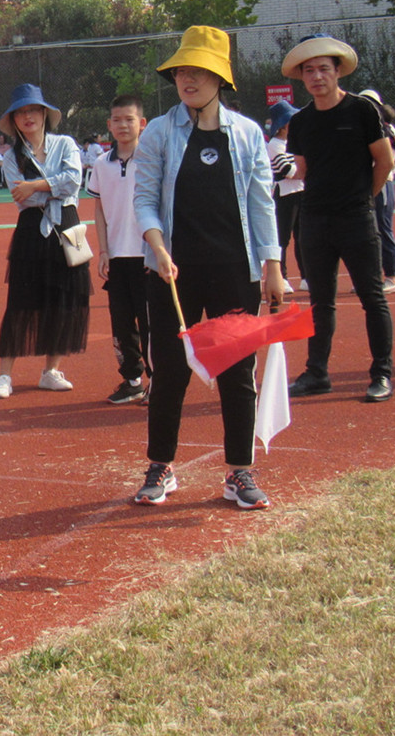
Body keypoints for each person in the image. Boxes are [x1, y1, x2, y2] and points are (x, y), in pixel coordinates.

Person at [132, 26, 285, 510]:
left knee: (238, 372)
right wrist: (157, 247)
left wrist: (273, 266)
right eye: (182, 71)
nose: (188, 79)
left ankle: (239, 471)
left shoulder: (247, 133)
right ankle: (161, 465)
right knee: (169, 370)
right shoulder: (158, 132)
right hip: (173, 271)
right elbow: (144, 199)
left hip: (235, 271)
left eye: (199, 71)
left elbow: (262, 204)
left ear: (220, 78)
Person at [283, 34, 394, 403]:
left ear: (338, 72)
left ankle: (381, 374)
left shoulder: (362, 110)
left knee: (372, 297)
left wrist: (363, 199)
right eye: (309, 71)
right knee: (320, 301)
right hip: (314, 219)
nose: (317, 77)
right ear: (302, 77)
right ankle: (317, 373)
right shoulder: (300, 121)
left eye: (323, 69)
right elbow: (303, 170)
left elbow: (384, 161)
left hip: (356, 218)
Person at [0, 83, 90, 399]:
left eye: (33, 110)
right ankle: (4, 375)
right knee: (20, 301)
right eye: (20, 112)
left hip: (66, 226)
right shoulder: (11, 157)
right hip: (32, 229)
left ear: (45, 114)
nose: (27, 116)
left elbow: (74, 180)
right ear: (13, 120)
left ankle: (51, 371)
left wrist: (34, 185)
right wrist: (45, 189)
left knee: (64, 300)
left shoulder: (66, 144)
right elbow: (21, 196)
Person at [86, 94, 150, 405]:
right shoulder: (101, 164)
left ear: (142, 123)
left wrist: (160, 250)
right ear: (109, 125)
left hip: (148, 256)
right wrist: (103, 251)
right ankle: (132, 379)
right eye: (117, 120)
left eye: (129, 119)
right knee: (122, 323)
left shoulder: (153, 160)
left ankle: (159, 379)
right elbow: (99, 209)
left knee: (151, 322)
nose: (123, 125)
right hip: (117, 258)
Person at [358, 90, 395, 294]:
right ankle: (372, 277)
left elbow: (386, 160)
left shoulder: (383, 128)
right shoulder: (370, 126)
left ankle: (391, 277)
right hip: (370, 183)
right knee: (368, 232)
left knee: (383, 229)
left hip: (382, 183)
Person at [265, 99, 306, 292]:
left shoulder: (294, 142)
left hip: (300, 193)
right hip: (285, 196)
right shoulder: (274, 145)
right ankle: (282, 277)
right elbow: (289, 171)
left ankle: (306, 277)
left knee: (303, 237)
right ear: (283, 124)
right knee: (282, 238)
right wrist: (304, 170)